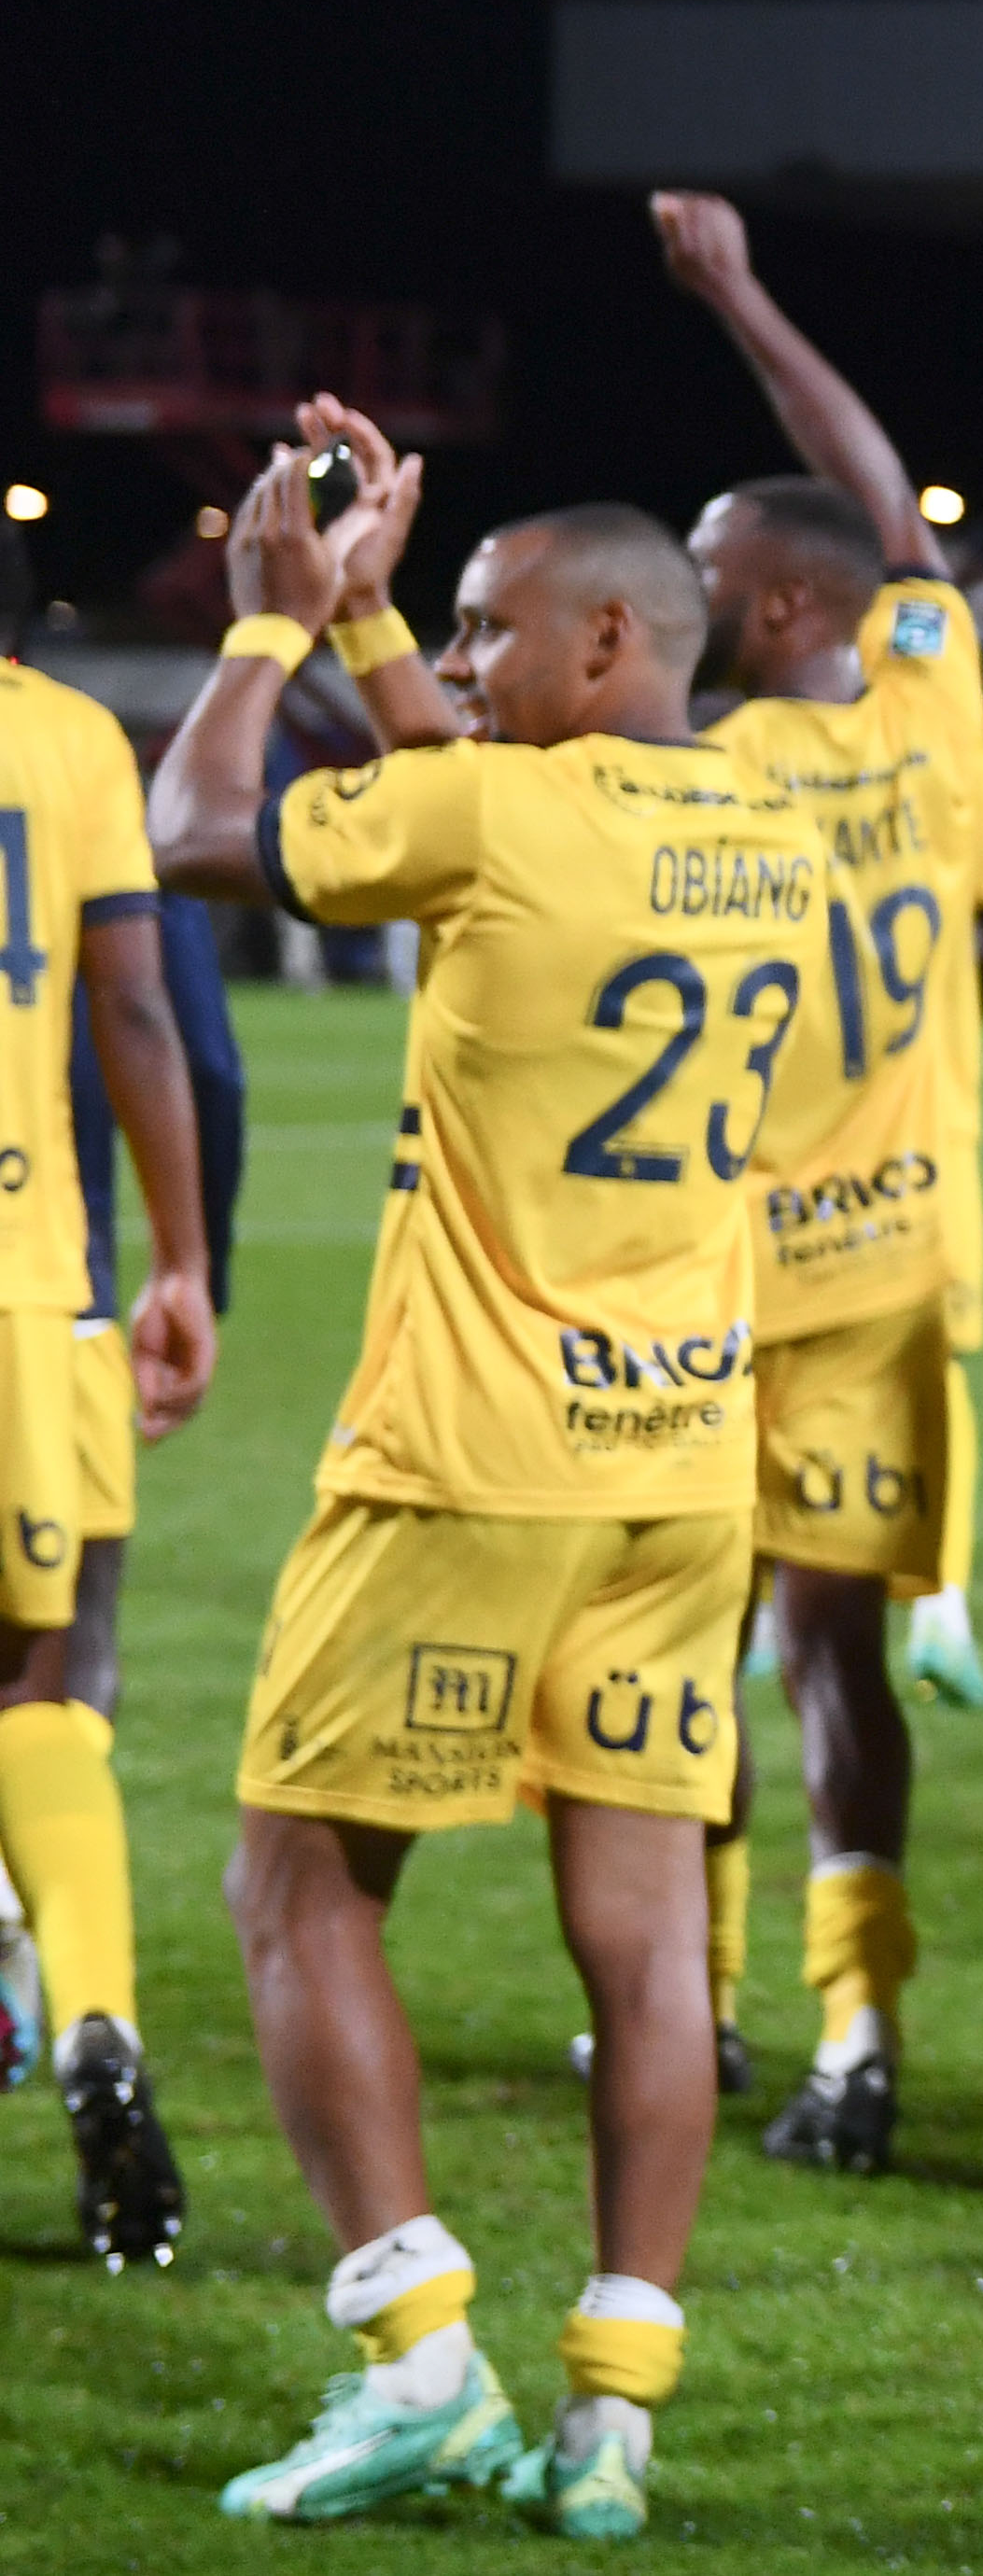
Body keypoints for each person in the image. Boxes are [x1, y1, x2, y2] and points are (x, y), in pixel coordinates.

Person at [154, 461, 808, 2538]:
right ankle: (616, 2402)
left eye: (483, 626)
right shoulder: (762, 821)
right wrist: (388, 627)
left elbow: (190, 828)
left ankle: (419, 2347)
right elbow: (485, 791)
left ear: (607, 642)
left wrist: (272, 614)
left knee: (297, 1886)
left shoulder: (498, 816)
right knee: (643, 1941)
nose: (447, 662)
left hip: (465, 1458)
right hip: (680, 1467)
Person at [652, 200, 983, 1723]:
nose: (691, 591)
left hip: (733, 1265)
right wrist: (745, 296)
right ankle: (860, 1969)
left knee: (685, 1659)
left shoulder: (698, 766)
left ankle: (709, 1969)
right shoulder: (930, 704)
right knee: (834, 1660)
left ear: (787, 600)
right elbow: (891, 512)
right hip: (900, 1240)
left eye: (709, 568)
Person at [0, 513, 223, 2273]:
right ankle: (94, 2021)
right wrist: (183, 1261)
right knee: (44, 1683)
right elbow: (141, 1019)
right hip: (34, 1287)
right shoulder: (72, 740)